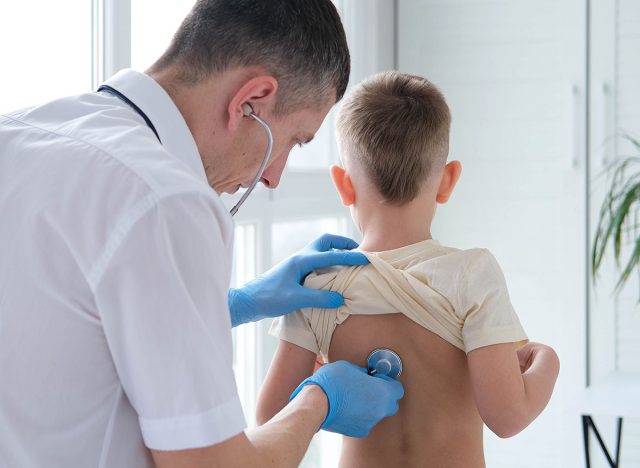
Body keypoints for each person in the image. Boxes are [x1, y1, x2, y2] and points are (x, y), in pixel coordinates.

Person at [0, 2, 405, 467]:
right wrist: (319, 401)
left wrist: (232, 304)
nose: (274, 177)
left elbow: (58, 326)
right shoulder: (166, 198)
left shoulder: (15, 134)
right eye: (293, 140)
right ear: (251, 100)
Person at [257, 71, 561, 467]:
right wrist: (549, 361)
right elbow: (508, 417)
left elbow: (271, 420)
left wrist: (321, 392)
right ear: (448, 180)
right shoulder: (472, 275)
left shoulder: (318, 285)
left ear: (343, 184)